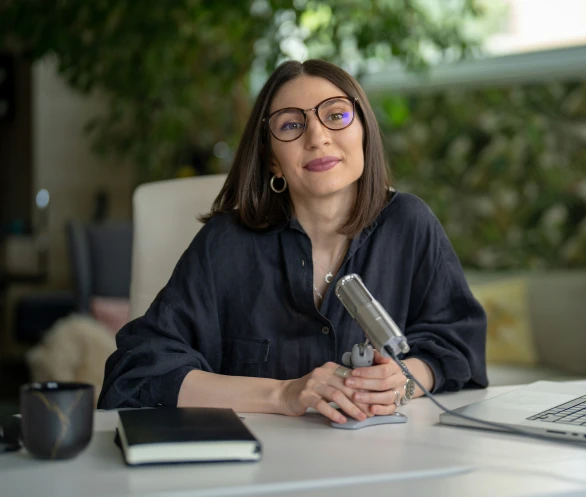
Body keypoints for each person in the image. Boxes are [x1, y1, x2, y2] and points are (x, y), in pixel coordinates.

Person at [98, 59, 487, 425]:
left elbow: (458, 344)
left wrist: (404, 380)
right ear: (271, 159)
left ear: (364, 130)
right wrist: (283, 395)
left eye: (336, 116)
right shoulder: (225, 245)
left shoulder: (409, 225)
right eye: (290, 126)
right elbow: (136, 374)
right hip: (254, 473)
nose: (317, 138)